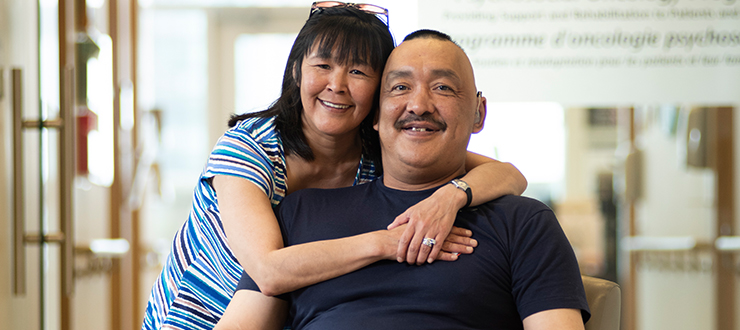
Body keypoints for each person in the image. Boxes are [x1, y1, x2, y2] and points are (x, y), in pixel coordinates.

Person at [142, 3, 527, 330]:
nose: (337, 84)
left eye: (358, 71)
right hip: (198, 317)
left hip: (294, 315)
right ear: (297, 71)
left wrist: (448, 199)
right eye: (323, 65)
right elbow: (269, 272)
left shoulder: (376, 150)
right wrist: (391, 242)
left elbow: (509, 175)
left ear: (378, 91)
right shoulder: (250, 145)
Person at [218, 29, 590, 330]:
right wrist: (388, 242)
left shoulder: (523, 223)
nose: (419, 105)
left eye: (443, 87)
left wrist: (452, 196)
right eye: (399, 88)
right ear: (375, 116)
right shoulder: (300, 211)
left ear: (478, 114)